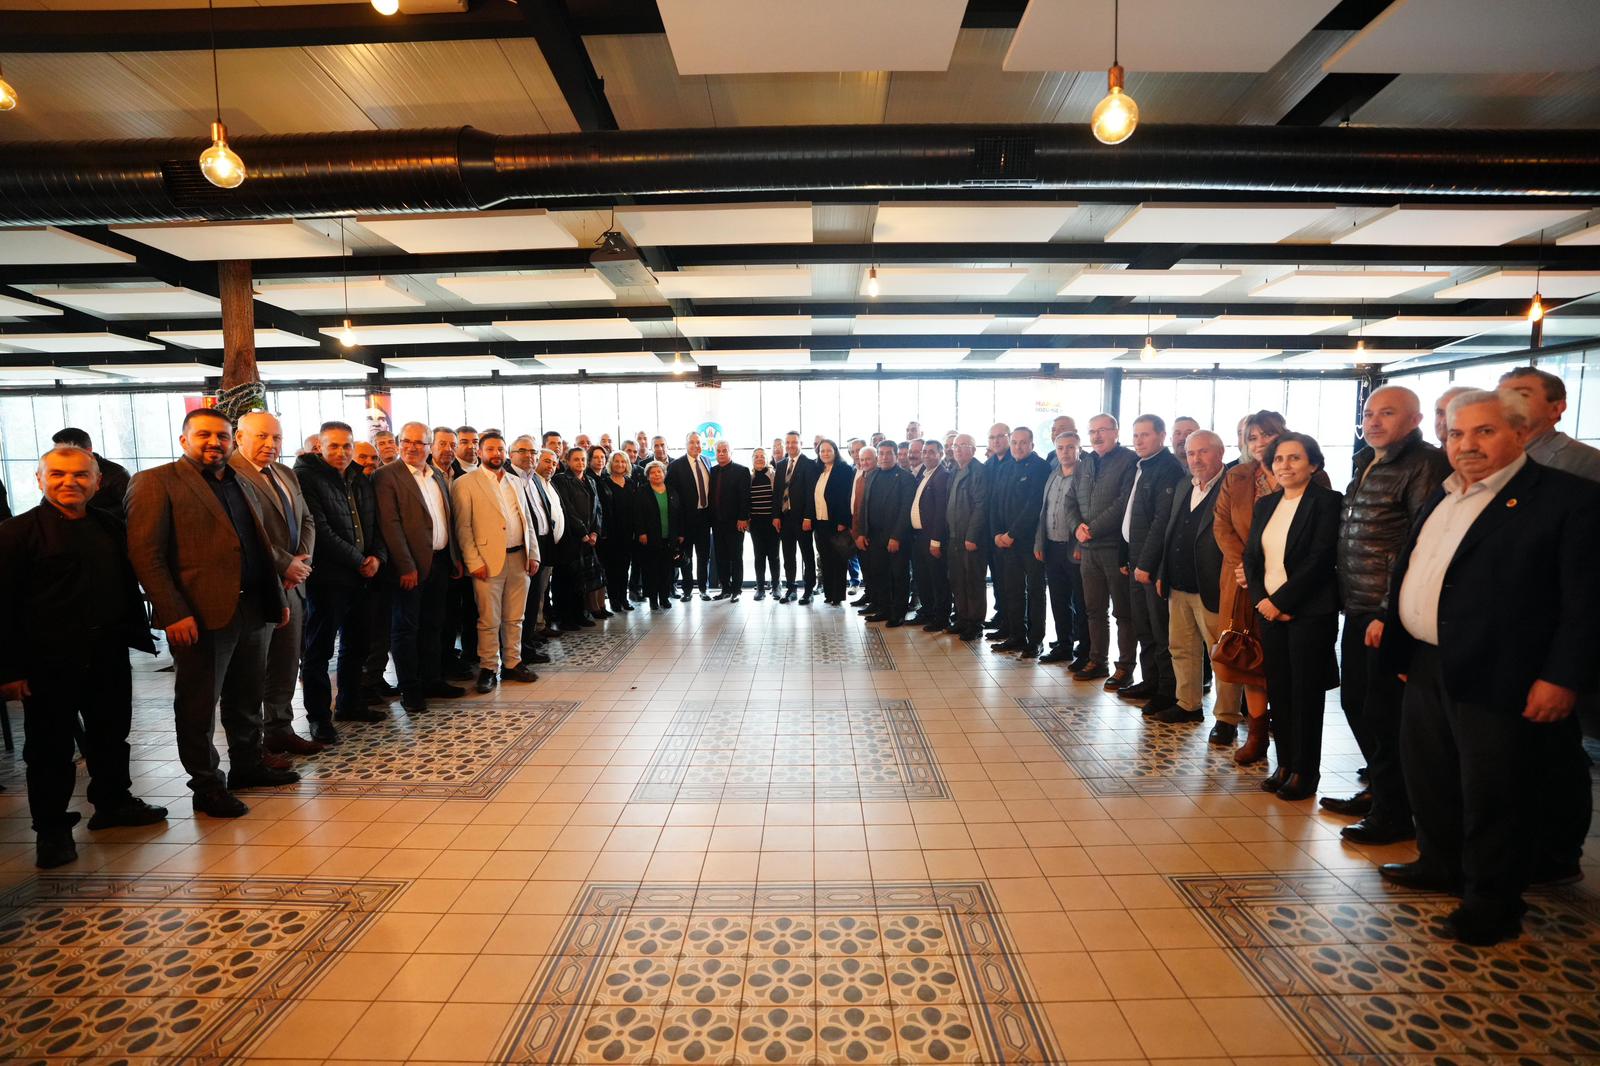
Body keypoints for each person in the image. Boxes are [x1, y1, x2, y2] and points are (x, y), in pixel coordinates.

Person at [1381, 389, 1600, 945]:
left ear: (1521, 434)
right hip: (1430, 661)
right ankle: (1440, 864)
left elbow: (1586, 603)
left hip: (1505, 671)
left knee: (1494, 792)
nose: (1467, 445)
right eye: (1457, 434)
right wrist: (1404, 643)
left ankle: (1492, 903)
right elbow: (1422, 568)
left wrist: (1562, 677)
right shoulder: (1445, 494)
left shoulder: (1566, 499)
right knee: (1431, 776)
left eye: (1485, 431)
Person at [0, 446, 167, 867]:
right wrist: (9, 670)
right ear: (40, 479)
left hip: (107, 651)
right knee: (49, 749)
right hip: (47, 661)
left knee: (111, 733)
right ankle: (52, 830)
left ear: (97, 482)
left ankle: (112, 803)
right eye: (58, 474)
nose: (69, 482)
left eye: (80, 475)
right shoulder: (15, 534)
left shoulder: (110, 525)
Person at [125, 409, 294, 818]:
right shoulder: (155, 482)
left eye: (222, 436)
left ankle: (247, 766)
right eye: (204, 435)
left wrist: (278, 600)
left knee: (246, 697)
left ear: (232, 441)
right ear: (184, 440)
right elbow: (146, 555)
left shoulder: (240, 481)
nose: (214, 442)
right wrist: (173, 612)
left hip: (252, 607)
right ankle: (206, 785)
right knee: (198, 706)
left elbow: (258, 545)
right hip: (198, 616)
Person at [1327, 386, 1449, 844]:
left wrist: (1387, 611)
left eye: (1387, 413)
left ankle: (1394, 812)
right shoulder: (1368, 461)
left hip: (1384, 612)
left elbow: (1420, 542)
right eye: (1368, 413)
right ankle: (1382, 792)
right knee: (1356, 703)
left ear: (1414, 419)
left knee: (1383, 714)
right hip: (1357, 606)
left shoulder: (1424, 464)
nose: (1374, 421)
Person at [1215, 410, 1330, 765]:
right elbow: (1222, 525)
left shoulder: (1313, 481)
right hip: (1244, 584)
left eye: (1268, 435)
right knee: (1249, 658)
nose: (1261, 443)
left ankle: (1293, 751)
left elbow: (1317, 545)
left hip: (1292, 590)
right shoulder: (1238, 476)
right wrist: (1245, 568)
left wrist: (1266, 579)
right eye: (1253, 437)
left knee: (1290, 672)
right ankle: (1257, 734)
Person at [1243, 432, 1342, 802]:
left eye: (1295, 458)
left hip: (1309, 613)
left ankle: (1305, 771)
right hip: (1269, 612)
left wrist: (1283, 601)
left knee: (1306, 694)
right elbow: (1252, 558)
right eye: (1279, 459)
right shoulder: (1267, 504)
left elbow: (1321, 558)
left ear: (1313, 464)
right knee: (1280, 690)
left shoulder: (1327, 501)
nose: (1285, 465)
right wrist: (1262, 600)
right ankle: (1284, 764)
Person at [231, 411, 321, 757]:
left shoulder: (284, 473)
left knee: (286, 662)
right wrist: (285, 564)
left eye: (276, 437)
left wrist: (301, 562)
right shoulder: (231, 474)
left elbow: (307, 519)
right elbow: (243, 533)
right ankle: (252, 747)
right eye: (262, 436)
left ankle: (280, 730)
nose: (271, 444)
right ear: (240, 438)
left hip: (293, 583)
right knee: (255, 669)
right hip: (258, 586)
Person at [295, 421, 386, 744]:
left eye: (347, 446)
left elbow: (374, 523)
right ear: (319, 447)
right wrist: (359, 560)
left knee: (358, 644)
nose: (341, 452)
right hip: (328, 577)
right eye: (333, 446)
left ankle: (350, 702)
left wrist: (376, 556)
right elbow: (319, 529)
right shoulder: (306, 477)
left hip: (363, 577)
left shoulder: (359, 477)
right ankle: (319, 717)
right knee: (319, 650)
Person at [374, 420, 464, 716]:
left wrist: (454, 557)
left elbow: (446, 518)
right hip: (409, 567)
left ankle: (432, 680)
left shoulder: (435, 474)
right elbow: (390, 525)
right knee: (406, 629)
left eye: (419, 442)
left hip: (440, 562)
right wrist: (405, 566)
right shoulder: (387, 476)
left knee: (434, 625)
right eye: (406, 441)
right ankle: (410, 689)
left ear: (429, 447)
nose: (411, 447)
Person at [1155, 431, 1241, 733]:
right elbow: (1171, 531)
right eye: (1191, 453)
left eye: (1203, 452)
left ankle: (1226, 718)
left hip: (1214, 586)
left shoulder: (1232, 486)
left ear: (1220, 453)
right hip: (1178, 584)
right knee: (1182, 648)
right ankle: (1188, 705)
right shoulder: (1184, 485)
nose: (1196, 459)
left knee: (1221, 655)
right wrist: (1163, 572)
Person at [452, 431, 540, 694]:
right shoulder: (466, 483)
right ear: (480, 452)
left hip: (519, 558)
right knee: (489, 619)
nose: (496, 454)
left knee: (515, 617)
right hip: (487, 562)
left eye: (500, 449)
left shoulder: (515, 481)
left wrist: (533, 553)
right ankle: (489, 667)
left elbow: (526, 520)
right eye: (490, 449)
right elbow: (463, 527)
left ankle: (513, 662)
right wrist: (473, 561)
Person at [1122, 415, 1186, 712]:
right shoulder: (1141, 466)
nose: (1138, 440)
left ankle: (1167, 690)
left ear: (1161, 436)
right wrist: (1125, 556)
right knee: (1143, 626)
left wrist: (1146, 563)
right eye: (1135, 435)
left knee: (1161, 631)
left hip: (1153, 564)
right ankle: (1150, 681)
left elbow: (1162, 521)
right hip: (1135, 558)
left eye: (1145, 435)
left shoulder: (1168, 468)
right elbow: (1131, 516)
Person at [1072, 414, 1138, 685]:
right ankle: (1097, 660)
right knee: (1094, 609)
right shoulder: (1085, 462)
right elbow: (1070, 499)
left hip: (1114, 548)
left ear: (1116, 431)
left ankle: (1125, 667)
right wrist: (1076, 527)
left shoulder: (1129, 460)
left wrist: (1093, 529)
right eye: (1092, 431)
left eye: (1102, 430)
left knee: (1123, 611)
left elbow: (1124, 502)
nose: (1097, 436)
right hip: (1088, 550)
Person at [990, 427, 1051, 656]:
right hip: (1006, 543)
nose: (1018, 447)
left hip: (1030, 542)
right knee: (1012, 590)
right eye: (1014, 442)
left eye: (1023, 442)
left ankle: (1035, 640)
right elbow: (995, 502)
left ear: (1032, 444)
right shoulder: (1005, 467)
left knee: (1035, 591)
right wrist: (997, 534)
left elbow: (1034, 506)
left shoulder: (1040, 467)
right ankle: (1016, 635)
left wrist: (1012, 534)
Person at [1036, 431, 1089, 666]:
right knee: (1058, 599)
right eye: (1060, 448)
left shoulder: (1085, 476)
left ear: (1079, 449)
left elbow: (1086, 513)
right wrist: (1039, 542)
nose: (1065, 452)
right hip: (1052, 546)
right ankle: (1064, 645)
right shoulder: (1053, 475)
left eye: (1070, 447)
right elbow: (1044, 511)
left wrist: (1080, 544)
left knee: (1082, 602)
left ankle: (1085, 651)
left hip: (1074, 548)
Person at [1499, 366, 1600, 481]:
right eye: (1499, 396)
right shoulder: (1492, 453)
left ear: (1555, 409)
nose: (1505, 402)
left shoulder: (1587, 461)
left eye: (1522, 395)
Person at [858, 441, 915, 626]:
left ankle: (898, 613)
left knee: (898, 576)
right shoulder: (872, 475)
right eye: (881, 453)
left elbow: (906, 510)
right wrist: (862, 532)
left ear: (896, 455)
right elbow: (865, 505)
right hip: (874, 536)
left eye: (888, 453)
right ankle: (884, 609)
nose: (884, 457)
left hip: (895, 537)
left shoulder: (905, 477)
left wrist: (896, 536)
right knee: (879, 574)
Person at [945, 434, 989, 642]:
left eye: (963, 445)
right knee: (958, 581)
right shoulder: (955, 470)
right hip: (954, 537)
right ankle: (962, 619)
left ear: (973, 449)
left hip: (971, 539)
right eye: (955, 446)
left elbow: (981, 506)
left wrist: (972, 536)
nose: (958, 449)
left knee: (973, 582)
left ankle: (975, 623)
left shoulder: (979, 471)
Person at [551, 447, 602, 627]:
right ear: (568, 461)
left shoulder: (590, 480)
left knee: (582, 579)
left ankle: (580, 614)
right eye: (576, 459)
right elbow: (567, 508)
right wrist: (582, 532)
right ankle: (566, 618)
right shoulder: (561, 480)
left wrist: (595, 531)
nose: (580, 463)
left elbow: (597, 508)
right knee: (567, 579)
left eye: (583, 459)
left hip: (588, 538)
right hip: (571, 537)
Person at [524, 448, 564, 650]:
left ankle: (539, 625)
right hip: (537, 547)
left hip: (549, 546)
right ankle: (533, 629)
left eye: (554, 463)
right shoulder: (532, 482)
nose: (551, 466)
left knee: (541, 591)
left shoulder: (549, 483)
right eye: (547, 461)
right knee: (535, 592)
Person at [908, 438, 951, 630]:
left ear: (941, 454)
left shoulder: (942, 475)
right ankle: (927, 612)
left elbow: (941, 511)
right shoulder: (924, 474)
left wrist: (936, 540)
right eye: (924, 451)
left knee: (937, 579)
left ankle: (941, 618)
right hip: (919, 536)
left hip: (932, 536)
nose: (926, 455)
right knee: (922, 577)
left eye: (931, 452)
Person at [772, 430, 819, 604]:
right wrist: (776, 516)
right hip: (784, 518)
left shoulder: (809, 464)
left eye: (794, 442)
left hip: (802, 519)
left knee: (807, 555)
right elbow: (777, 492)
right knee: (788, 555)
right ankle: (791, 589)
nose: (790, 445)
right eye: (788, 442)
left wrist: (808, 517)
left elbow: (811, 493)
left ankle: (808, 590)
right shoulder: (781, 465)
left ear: (801, 444)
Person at [666, 432, 714, 602]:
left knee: (704, 556)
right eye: (692, 442)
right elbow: (672, 498)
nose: (695, 445)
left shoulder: (706, 461)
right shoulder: (675, 466)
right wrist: (677, 526)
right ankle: (687, 590)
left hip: (704, 518)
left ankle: (703, 589)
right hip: (685, 521)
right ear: (686, 444)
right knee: (686, 556)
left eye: (698, 442)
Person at [809, 438, 855, 607]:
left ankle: (838, 595)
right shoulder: (818, 470)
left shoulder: (843, 470)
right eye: (822, 451)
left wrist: (843, 521)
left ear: (835, 451)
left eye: (829, 450)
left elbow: (846, 497)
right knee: (825, 559)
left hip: (836, 522)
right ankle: (828, 593)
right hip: (820, 521)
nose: (825, 453)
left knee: (838, 559)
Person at [49, 428, 129, 516]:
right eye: (57, 453)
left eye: (67, 453)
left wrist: (92, 515)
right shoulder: (56, 473)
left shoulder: (116, 474)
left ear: (88, 451)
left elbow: (131, 510)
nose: (60, 458)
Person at [598, 450, 641, 612]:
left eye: (623, 461)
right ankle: (614, 600)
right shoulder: (604, 483)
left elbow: (636, 509)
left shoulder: (630, 483)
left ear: (627, 464)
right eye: (616, 461)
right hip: (610, 533)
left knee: (624, 568)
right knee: (611, 569)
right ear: (611, 463)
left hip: (628, 533)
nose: (620, 464)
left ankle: (624, 598)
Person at [709, 440, 751, 601]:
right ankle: (725, 588)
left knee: (736, 557)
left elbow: (745, 497)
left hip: (736, 523)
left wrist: (743, 518)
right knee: (721, 558)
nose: (721, 453)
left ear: (730, 452)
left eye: (724, 450)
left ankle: (736, 590)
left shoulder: (742, 471)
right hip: (717, 523)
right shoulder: (713, 471)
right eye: (718, 451)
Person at [637, 460, 682, 610]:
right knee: (651, 570)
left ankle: (664, 597)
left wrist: (680, 533)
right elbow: (638, 514)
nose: (656, 475)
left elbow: (679, 514)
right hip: (650, 537)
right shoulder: (642, 491)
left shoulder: (672, 491)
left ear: (664, 473)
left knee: (666, 570)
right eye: (652, 472)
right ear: (648, 475)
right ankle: (653, 599)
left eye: (659, 472)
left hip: (669, 537)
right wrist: (641, 532)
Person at [982, 423, 1013, 630]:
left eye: (1000, 436)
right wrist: (993, 533)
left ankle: (1012, 622)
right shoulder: (989, 464)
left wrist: (1007, 533)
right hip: (992, 532)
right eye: (992, 437)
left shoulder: (1015, 461)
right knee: (998, 578)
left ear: (1009, 437)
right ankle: (1001, 614)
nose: (996, 441)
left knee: (1013, 583)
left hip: (1011, 533)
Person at [851, 445, 880, 615]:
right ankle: (870, 596)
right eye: (862, 460)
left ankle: (877, 602)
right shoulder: (861, 478)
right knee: (867, 569)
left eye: (868, 459)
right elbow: (857, 508)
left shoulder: (879, 477)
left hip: (873, 534)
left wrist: (863, 533)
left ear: (876, 459)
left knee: (876, 571)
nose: (864, 462)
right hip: (860, 532)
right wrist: (857, 534)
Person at [748, 448, 780, 600]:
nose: (759, 459)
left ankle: (776, 587)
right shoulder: (750, 477)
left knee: (774, 556)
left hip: (773, 522)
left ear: (767, 459)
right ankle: (760, 588)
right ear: (752, 459)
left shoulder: (774, 475)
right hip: (756, 524)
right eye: (756, 456)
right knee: (759, 556)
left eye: (762, 456)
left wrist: (777, 517)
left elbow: (778, 499)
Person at [584, 445, 612, 619]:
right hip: (593, 530)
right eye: (596, 457)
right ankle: (593, 606)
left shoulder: (604, 477)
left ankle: (602, 604)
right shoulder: (587, 478)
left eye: (602, 457)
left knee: (603, 569)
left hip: (606, 530)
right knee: (593, 570)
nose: (600, 460)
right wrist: (595, 530)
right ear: (589, 460)